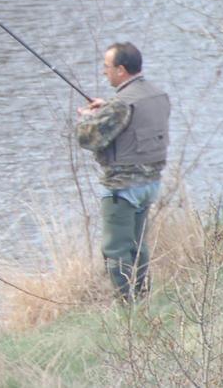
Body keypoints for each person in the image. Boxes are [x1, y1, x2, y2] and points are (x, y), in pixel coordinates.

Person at [76, 42, 170, 302]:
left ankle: (127, 310)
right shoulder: (157, 95)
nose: (103, 72)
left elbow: (88, 139)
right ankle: (142, 298)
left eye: (106, 67)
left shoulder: (120, 105)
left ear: (120, 70)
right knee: (138, 247)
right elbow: (134, 120)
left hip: (123, 189)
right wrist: (107, 107)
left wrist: (87, 117)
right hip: (150, 184)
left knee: (116, 250)